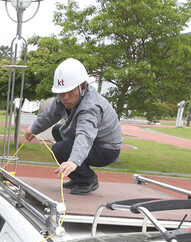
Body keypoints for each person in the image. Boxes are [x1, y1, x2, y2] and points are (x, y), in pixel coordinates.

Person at [24, 58, 123, 195]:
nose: (64, 97)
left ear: (83, 87)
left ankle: (88, 180)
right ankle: (77, 177)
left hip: (106, 149)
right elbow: (50, 115)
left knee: (59, 149)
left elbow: (85, 135)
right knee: (57, 131)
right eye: (61, 92)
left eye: (69, 91)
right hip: (93, 140)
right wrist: (33, 128)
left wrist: (73, 161)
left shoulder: (90, 107)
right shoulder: (64, 98)